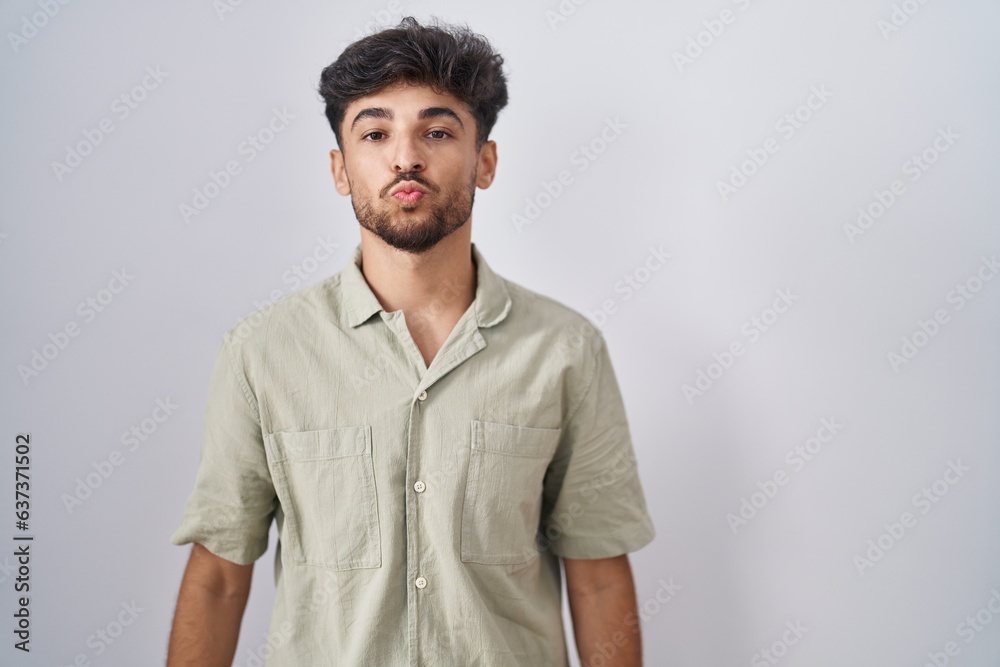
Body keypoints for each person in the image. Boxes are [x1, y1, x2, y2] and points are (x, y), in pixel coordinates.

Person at [166, 16, 655, 666]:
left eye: (437, 130)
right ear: (340, 169)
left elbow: (596, 574)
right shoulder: (262, 352)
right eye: (375, 132)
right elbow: (221, 577)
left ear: (485, 160)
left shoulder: (566, 350)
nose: (405, 156)